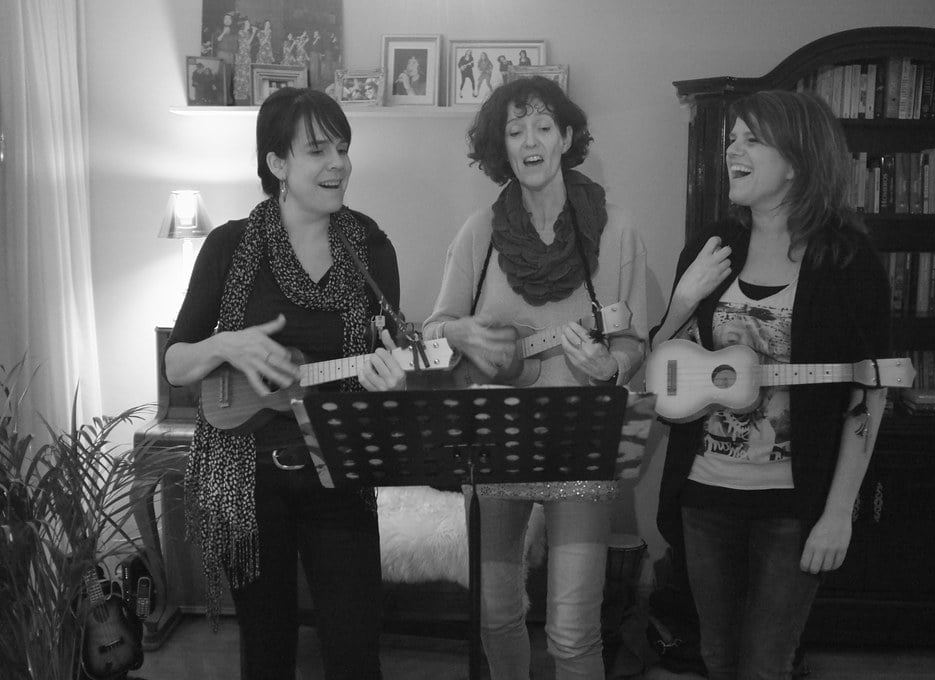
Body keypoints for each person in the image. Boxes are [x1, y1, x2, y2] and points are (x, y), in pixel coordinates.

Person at [164, 87, 406, 680]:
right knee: (265, 651)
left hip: (339, 471)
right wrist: (227, 344)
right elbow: (177, 365)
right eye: (318, 150)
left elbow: (391, 356)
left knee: (355, 652)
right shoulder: (227, 246)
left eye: (343, 149)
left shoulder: (371, 248)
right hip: (246, 479)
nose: (338, 164)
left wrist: (389, 380)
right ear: (276, 163)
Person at [650, 89, 891, 680]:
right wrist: (683, 300)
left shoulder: (847, 258)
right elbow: (662, 372)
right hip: (705, 495)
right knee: (715, 658)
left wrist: (840, 512)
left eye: (752, 138)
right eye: (732, 138)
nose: (733, 149)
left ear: (800, 159)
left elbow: (871, 390)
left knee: (765, 665)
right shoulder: (712, 248)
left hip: (794, 503)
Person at [422, 75, 648, 680]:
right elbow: (434, 329)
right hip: (495, 445)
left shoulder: (617, 228)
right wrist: (463, 333)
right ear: (501, 145)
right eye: (515, 129)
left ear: (566, 136)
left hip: (580, 444)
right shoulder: (480, 233)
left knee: (573, 636)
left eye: (543, 127)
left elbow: (633, 339)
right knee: (496, 618)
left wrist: (611, 365)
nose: (530, 141)